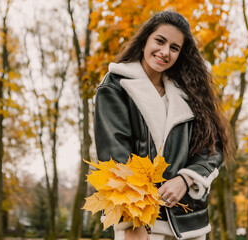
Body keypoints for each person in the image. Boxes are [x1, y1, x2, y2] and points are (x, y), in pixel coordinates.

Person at [94, 11, 233, 240]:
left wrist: (186, 179)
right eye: (160, 41)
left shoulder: (189, 93)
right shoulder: (115, 87)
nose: (165, 52)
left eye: (174, 47)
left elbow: (212, 147)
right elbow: (114, 159)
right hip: (144, 224)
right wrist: (132, 221)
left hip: (190, 225)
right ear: (145, 39)